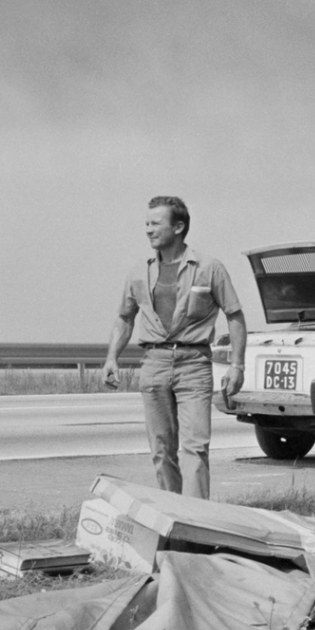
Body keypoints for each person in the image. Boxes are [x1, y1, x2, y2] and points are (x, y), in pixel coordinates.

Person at [101, 197, 247, 499]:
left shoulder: (209, 268)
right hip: (153, 364)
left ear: (178, 227)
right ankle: (173, 519)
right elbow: (124, 317)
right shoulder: (139, 271)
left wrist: (237, 365)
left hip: (193, 364)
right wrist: (111, 358)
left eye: (156, 223)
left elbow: (234, 316)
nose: (148, 230)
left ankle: (197, 527)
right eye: (146, 223)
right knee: (161, 450)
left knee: (195, 449)